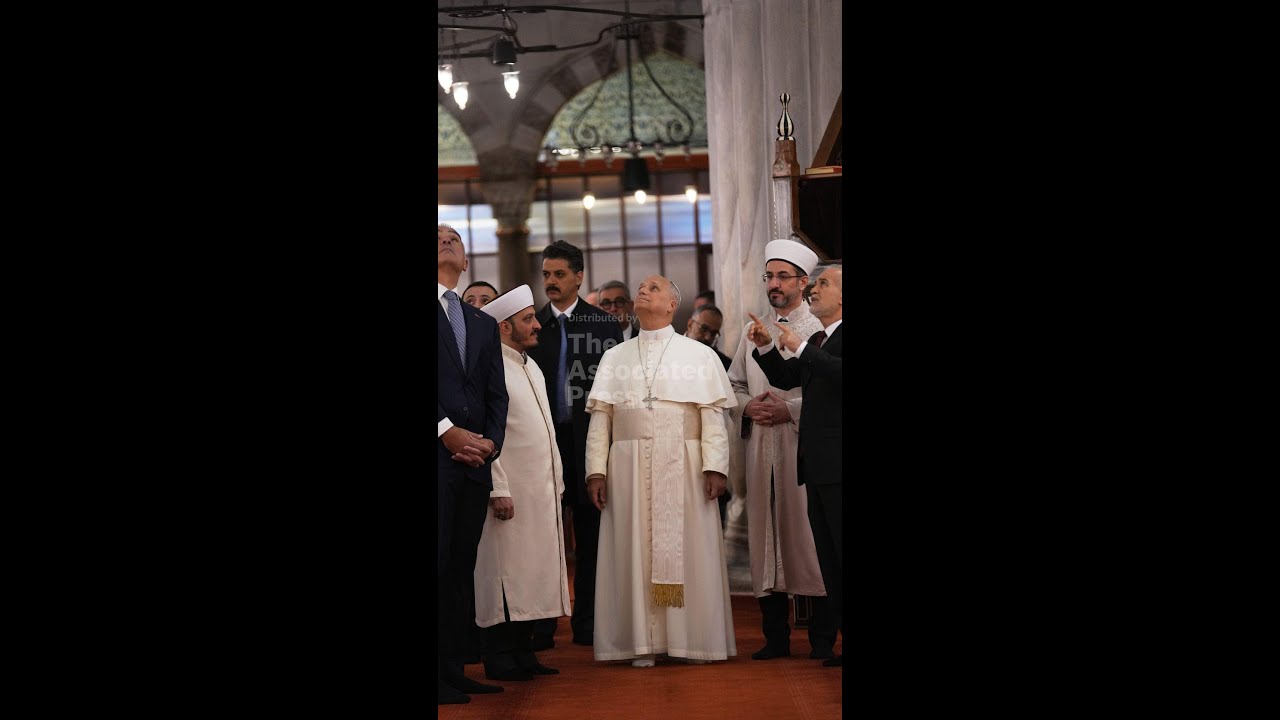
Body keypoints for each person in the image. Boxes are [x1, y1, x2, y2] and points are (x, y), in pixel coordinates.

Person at [585, 275, 737, 667]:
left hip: (685, 465)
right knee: (632, 550)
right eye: (641, 287)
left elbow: (713, 417)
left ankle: (692, 641)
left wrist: (715, 467)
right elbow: (601, 419)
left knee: (691, 551)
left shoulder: (699, 356)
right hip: (628, 468)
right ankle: (641, 643)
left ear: (672, 304)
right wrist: (595, 472)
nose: (643, 290)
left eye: (654, 288)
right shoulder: (614, 358)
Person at [727, 239, 836, 663]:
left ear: (803, 283)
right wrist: (747, 407)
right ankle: (774, 637)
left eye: (782, 277)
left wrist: (789, 410)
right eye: (769, 276)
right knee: (765, 538)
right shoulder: (755, 329)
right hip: (760, 452)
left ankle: (823, 639)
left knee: (808, 541)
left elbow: (827, 393)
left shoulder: (818, 329)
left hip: (803, 450)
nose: (773, 284)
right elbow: (734, 384)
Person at [526, 240, 624, 648]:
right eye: (546, 274)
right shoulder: (532, 325)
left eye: (559, 274)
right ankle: (541, 624)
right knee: (544, 535)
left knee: (591, 534)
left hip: (588, 443)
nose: (550, 281)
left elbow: (616, 389)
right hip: (543, 443)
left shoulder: (604, 325)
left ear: (579, 277)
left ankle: (587, 621)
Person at [474, 285, 572, 681]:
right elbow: (487, 433)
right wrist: (497, 488)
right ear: (504, 326)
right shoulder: (489, 366)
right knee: (505, 574)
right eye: (528, 319)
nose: (537, 325)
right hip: (509, 492)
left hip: (540, 492)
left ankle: (523, 651)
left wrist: (557, 481)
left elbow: (544, 430)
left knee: (533, 575)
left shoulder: (530, 365)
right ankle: (499, 656)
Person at [437, 224, 509, 704]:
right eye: (437, 236)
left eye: (454, 238)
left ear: (466, 261)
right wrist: (446, 431)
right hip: (439, 455)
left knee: (461, 568)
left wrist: (490, 443)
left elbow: (496, 393)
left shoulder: (481, 321)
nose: (446, 240)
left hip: (474, 464)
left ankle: (453, 668)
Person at [685, 304, 731, 371]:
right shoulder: (670, 351)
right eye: (704, 329)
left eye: (714, 333)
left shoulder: (723, 364)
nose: (708, 337)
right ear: (690, 325)